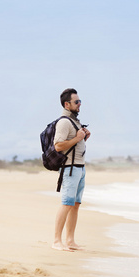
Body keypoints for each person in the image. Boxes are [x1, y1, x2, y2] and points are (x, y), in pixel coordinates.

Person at [52, 88, 91, 251]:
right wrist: (77, 138)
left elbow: (75, 142)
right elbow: (58, 146)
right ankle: (56, 241)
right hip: (69, 168)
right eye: (77, 102)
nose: (79, 104)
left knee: (75, 204)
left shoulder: (75, 121)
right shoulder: (63, 122)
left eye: (80, 101)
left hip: (80, 168)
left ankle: (70, 240)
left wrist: (83, 136)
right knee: (67, 203)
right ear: (67, 104)